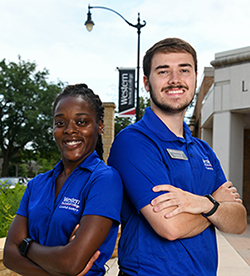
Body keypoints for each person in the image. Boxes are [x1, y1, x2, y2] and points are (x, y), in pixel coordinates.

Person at [108, 38, 247, 276]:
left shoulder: (203, 150)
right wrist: (215, 203)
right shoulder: (134, 142)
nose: (175, 79)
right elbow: (170, 226)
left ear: (193, 79)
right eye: (163, 71)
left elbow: (239, 222)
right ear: (146, 82)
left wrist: (202, 203)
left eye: (184, 70)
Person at [3, 83, 123, 276]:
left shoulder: (104, 180)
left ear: (100, 126)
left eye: (81, 122)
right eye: (60, 123)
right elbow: (9, 255)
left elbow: (71, 262)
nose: (69, 130)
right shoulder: (36, 185)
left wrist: (26, 246)